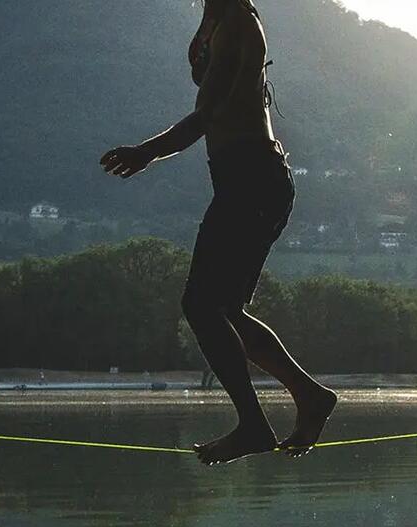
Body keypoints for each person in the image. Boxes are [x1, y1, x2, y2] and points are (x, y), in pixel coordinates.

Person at [101, 0, 338, 465]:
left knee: (202, 305)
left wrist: (147, 151)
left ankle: (254, 424)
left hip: (254, 179)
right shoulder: (214, 17)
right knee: (222, 308)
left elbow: (208, 112)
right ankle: (310, 397)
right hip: (241, 179)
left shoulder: (239, 22)